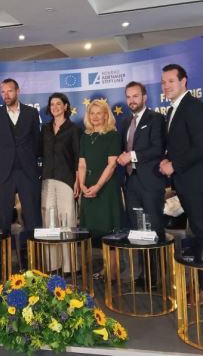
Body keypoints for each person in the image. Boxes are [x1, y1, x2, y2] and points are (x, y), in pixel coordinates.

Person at [159, 64, 203, 301]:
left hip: (196, 182)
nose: (166, 86)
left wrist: (174, 165)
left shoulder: (194, 107)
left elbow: (201, 148)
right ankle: (201, 285)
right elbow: (180, 145)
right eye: (163, 82)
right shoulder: (172, 110)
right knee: (198, 233)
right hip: (184, 182)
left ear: (184, 81)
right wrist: (167, 159)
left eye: (171, 81)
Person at [0, 78, 42, 266]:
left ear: (17, 91)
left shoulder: (31, 113)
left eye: (9, 91)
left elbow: (36, 141)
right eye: (3, 92)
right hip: (4, 172)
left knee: (32, 217)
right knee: (3, 218)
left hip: (28, 171)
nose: (6, 95)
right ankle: (2, 262)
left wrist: (27, 158)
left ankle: (32, 259)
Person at [78, 99, 124, 277]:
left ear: (106, 115)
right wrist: (82, 185)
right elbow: (82, 164)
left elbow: (112, 165)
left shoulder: (113, 135)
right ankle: (99, 269)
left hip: (106, 188)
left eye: (99, 113)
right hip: (88, 188)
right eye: (92, 113)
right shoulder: (85, 136)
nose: (95, 117)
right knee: (92, 229)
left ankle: (112, 271)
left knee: (109, 230)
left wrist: (97, 186)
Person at [117, 82, 166, 240]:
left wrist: (131, 156)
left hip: (150, 181)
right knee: (136, 229)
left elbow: (158, 149)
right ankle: (140, 258)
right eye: (128, 97)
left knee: (154, 228)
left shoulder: (156, 118)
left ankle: (158, 257)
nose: (131, 100)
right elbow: (123, 149)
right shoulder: (125, 122)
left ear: (145, 97)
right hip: (130, 182)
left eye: (135, 96)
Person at [40, 92, 81, 272]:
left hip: (66, 180)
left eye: (58, 104)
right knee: (49, 220)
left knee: (67, 220)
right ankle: (52, 265)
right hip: (47, 180)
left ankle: (69, 266)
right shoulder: (45, 129)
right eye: (52, 104)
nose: (55, 107)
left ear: (65, 106)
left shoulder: (74, 129)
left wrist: (78, 181)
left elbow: (79, 158)